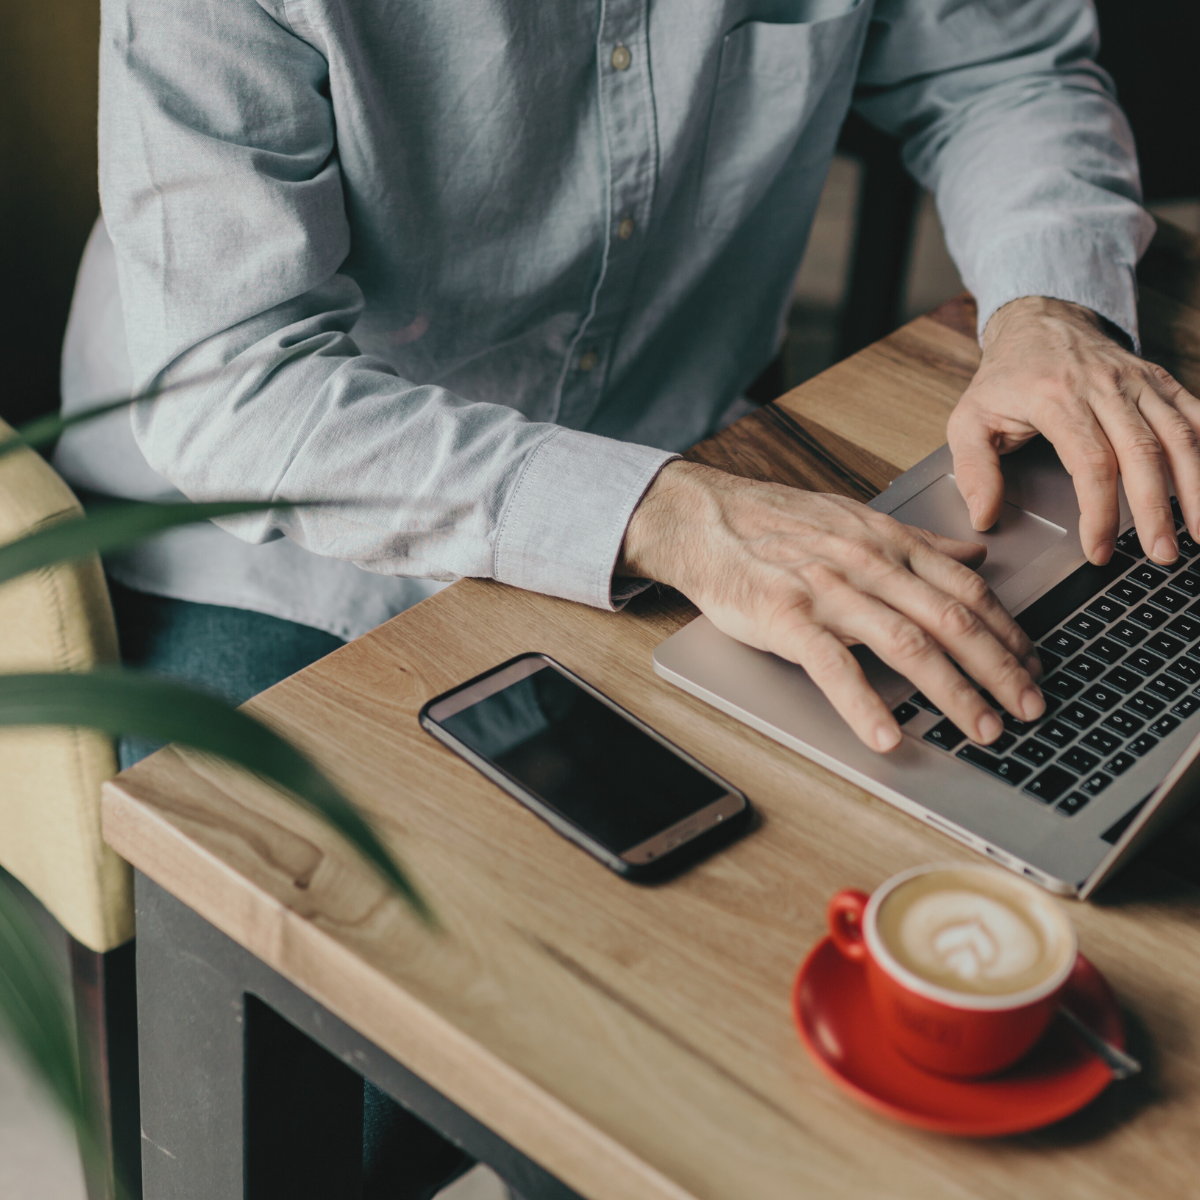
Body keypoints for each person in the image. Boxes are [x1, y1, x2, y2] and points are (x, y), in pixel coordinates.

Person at [55, 0, 1195, 1191]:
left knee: (747, 1053)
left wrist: (1047, 309)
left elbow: (1003, 66)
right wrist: (675, 519)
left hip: (697, 452)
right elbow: (235, 392)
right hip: (278, 540)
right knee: (368, 1116)